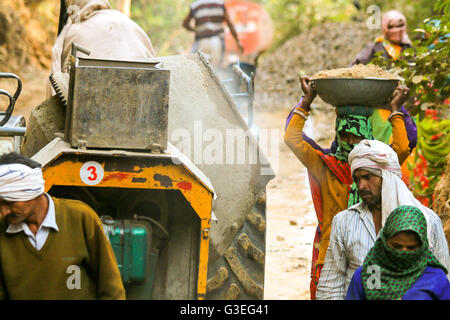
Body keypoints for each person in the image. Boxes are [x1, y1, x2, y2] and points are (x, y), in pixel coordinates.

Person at [284, 76, 413, 299]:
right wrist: (306, 101)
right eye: (345, 135)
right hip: (330, 255)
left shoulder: (377, 164)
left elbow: (401, 147)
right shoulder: (325, 166)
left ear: (366, 133)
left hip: (369, 253)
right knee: (328, 293)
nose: (352, 142)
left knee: (370, 295)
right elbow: (292, 139)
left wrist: (395, 108)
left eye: (357, 135)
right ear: (337, 134)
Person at [316, 139, 450, 300]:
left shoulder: (429, 220)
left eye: (367, 177)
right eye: (357, 179)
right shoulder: (344, 222)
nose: (361, 185)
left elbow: (444, 278)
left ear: (387, 177)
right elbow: (331, 284)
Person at [0, 152, 126, 300]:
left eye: (10, 203)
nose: (3, 212)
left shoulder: (80, 217)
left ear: (31, 192)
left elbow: (111, 286)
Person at [351, 10, 416, 186]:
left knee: (408, 149)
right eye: (392, 26)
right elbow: (355, 70)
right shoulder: (375, 49)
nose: (396, 29)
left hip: (406, 110)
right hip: (379, 114)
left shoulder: (411, 51)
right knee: (383, 153)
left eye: (400, 25)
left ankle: (405, 188)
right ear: (384, 28)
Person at [49, 0, 155, 95]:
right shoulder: (131, 24)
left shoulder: (72, 32)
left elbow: (55, 83)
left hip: (91, 102)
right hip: (141, 94)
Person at [346, 205, 450, 300]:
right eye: (396, 246)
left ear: (422, 246)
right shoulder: (372, 272)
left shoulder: (434, 276)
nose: (403, 252)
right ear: (384, 241)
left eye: (411, 248)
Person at [182, 0, 244, 67]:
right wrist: (238, 41)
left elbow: (185, 24)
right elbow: (230, 24)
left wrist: (195, 30)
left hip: (201, 42)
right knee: (216, 70)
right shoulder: (220, 4)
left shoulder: (196, 5)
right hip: (217, 42)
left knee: (198, 68)